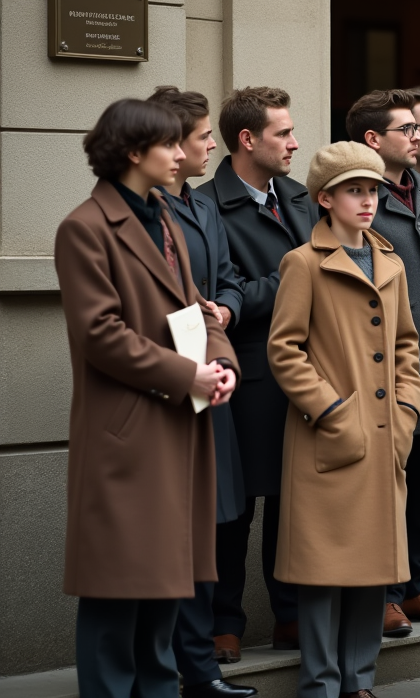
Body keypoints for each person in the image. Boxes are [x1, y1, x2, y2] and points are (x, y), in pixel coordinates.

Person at [56, 98, 239, 698]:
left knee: (164, 594)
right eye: (170, 145)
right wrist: (187, 377)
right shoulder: (84, 227)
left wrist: (221, 363)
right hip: (127, 436)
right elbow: (100, 335)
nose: (184, 153)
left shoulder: (162, 213)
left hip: (176, 426)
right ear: (134, 153)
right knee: (117, 598)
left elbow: (197, 307)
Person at [267, 141, 420, 698]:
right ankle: (320, 683)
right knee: (323, 573)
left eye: (373, 190)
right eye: (354, 190)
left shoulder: (392, 263)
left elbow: (407, 347)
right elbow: (285, 350)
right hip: (328, 439)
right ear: (325, 198)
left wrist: (406, 411)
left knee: (371, 571)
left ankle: (358, 681)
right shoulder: (303, 263)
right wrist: (333, 411)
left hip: (385, 440)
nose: (367, 201)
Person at [196, 87, 315, 660]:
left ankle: (290, 614)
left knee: (294, 500)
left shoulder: (300, 196)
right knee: (235, 508)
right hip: (249, 375)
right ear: (247, 139)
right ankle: (226, 622)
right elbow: (226, 294)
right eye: (283, 134)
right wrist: (297, 277)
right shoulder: (204, 206)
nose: (295, 143)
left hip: (309, 374)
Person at [346, 89, 420, 635]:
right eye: (408, 130)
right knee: (387, 487)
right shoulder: (358, 197)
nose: (419, 137)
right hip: (387, 366)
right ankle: (386, 593)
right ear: (374, 140)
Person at [147, 87, 256, 698]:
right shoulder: (147, 210)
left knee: (214, 522)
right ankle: (187, 667)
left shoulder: (201, 204)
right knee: (181, 530)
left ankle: (199, 665)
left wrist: (227, 308)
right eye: (202, 137)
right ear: (171, 145)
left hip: (214, 375)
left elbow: (231, 278)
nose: (211, 145)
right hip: (174, 380)